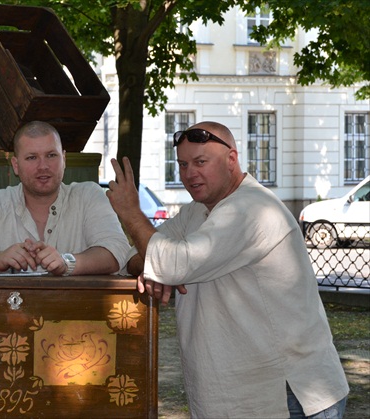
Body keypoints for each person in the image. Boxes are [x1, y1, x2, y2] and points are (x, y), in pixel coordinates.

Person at [106, 121, 349, 418]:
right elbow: (138, 256)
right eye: (183, 164)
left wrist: (132, 214)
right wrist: (154, 268)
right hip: (242, 396)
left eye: (200, 162)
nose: (189, 173)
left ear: (231, 159)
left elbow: (169, 262)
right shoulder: (197, 211)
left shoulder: (251, 209)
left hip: (287, 395)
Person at [0, 121, 131, 276]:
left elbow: (118, 251)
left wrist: (67, 262)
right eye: (32, 157)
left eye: (51, 155)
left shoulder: (89, 196)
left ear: (64, 160)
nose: (43, 166)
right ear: (16, 165)